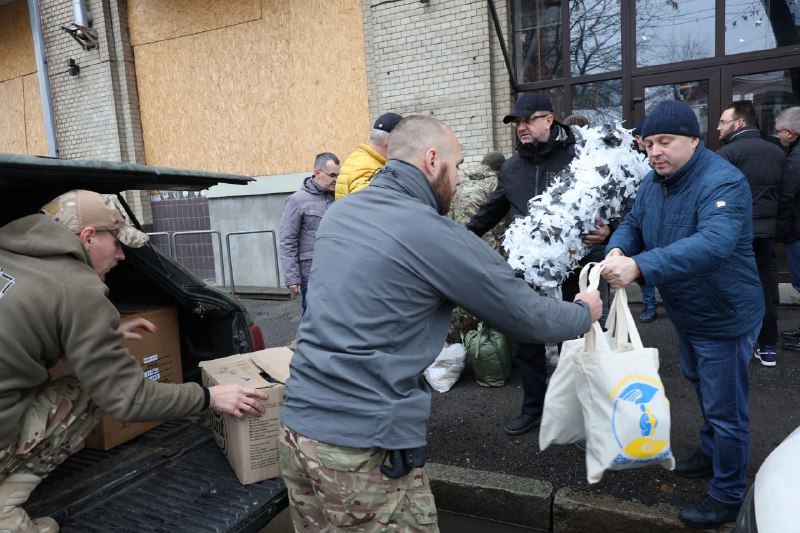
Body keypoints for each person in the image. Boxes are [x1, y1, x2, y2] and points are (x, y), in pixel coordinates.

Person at [278, 115, 602, 531]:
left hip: (297, 428)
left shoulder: (342, 213)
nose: (462, 180)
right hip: (360, 448)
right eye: (458, 166)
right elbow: (527, 315)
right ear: (432, 160)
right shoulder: (432, 233)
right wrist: (584, 312)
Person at [0, 190, 267, 532]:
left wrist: (104, 330)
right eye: (117, 243)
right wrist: (211, 397)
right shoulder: (77, 285)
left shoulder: (11, 254)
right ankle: (6, 509)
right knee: (91, 391)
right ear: (88, 237)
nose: (122, 256)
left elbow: (28, 326)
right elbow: (128, 399)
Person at [601, 100, 764, 529]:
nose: (655, 151)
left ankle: (728, 493)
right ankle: (711, 455)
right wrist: (618, 247)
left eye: (665, 141)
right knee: (703, 390)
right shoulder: (655, 182)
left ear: (694, 140)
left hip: (723, 315)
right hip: (688, 312)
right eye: (649, 143)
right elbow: (633, 221)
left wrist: (639, 266)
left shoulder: (722, 181)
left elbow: (713, 243)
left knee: (727, 410)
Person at [467, 93, 611, 436]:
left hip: (574, 269)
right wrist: (454, 239)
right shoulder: (513, 167)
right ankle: (534, 408)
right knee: (528, 341)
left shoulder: (580, 157)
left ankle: (580, 412)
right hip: (528, 271)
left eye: (527, 120)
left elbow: (615, 202)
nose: (521, 128)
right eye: (517, 123)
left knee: (574, 341)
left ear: (549, 119)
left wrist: (610, 230)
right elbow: (491, 210)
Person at [716, 100, 794, 366]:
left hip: (736, 234)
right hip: (766, 233)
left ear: (739, 123)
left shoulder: (726, 155)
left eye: (723, 122)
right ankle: (768, 348)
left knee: (734, 287)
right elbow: (786, 194)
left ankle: (740, 345)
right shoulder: (777, 152)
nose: (718, 127)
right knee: (764, 287)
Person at [279, 152, 339, 313]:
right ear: (317, 173)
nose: (336, 179)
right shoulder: (297, 200)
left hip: (337, 273)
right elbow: (288, 240)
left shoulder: (339, 198)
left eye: (338, 175)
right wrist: (292, 277)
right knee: (313, 320)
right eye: (332, 175)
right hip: (310, 275)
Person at [774, 106, 800, 351]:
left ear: (790, 133)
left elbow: (787, 197)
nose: (777, 137)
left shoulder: (794, 160)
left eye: (778, 132)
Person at [334, 112, 403, 200]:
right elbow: (367, 209)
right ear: (391, 143)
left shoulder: (357, 158)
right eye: (403, 143)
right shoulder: (368, 171)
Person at [631, 119, 659, 323]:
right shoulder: (628, 160)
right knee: (644, 265)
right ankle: (649, 304)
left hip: (659, 218)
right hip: (641, 219)